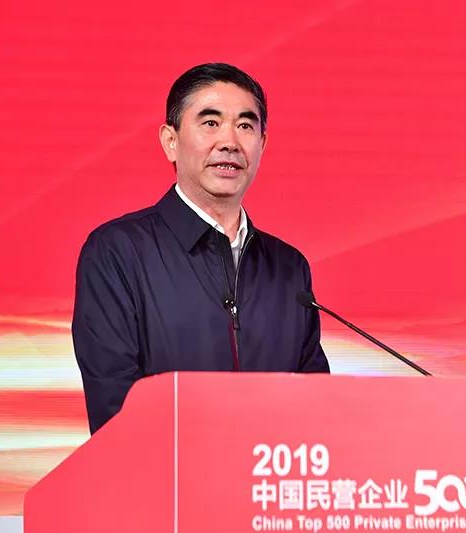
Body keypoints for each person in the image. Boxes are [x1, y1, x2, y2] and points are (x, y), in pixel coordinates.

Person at [72, 63, 330, 434]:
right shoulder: (118, 252)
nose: (230, 142)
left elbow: (315, 410)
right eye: (210, 123)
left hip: (267, 472)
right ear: (170, 141)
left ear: (262, 144)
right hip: (163, 470)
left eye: (245, 126)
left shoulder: (289, 268)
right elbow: (115, 411)